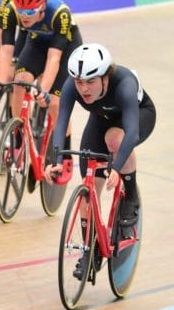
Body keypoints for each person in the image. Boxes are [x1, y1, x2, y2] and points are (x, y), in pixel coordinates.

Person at [45, 44, 155, 277]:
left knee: (115, 139)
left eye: (90, 82)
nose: (83, 88)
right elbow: (61, 121)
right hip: (102, 118)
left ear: (105, 77)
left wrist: (116, 168)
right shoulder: (71, 86)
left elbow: (132, 133)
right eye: (79, 82)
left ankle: (131, 196)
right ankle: (90, 250)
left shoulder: (124, 85)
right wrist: (55, 158)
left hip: (138, 116)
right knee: (88, 187)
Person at [0, 0, 82, 182]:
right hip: (37, 43)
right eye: (21, 11)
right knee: (20, 80)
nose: (24, 17)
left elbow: (54, 58)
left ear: (42, 6)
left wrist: (44, 91)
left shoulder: (59, 14)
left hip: (65, 48)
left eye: (29, 12)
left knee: (56, 103)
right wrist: (0, 84)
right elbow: (6, 50)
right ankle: (18, 137)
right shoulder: (10, 10)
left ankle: (64, 154)